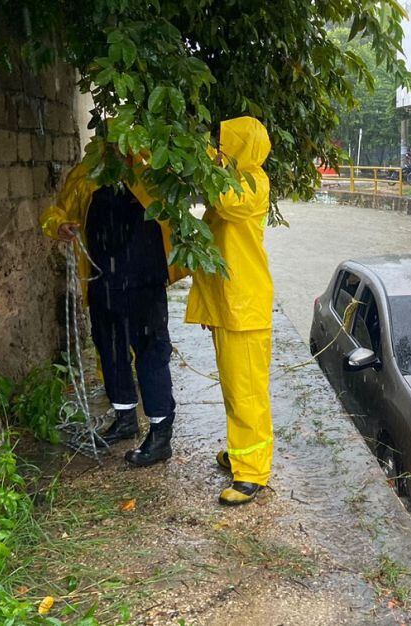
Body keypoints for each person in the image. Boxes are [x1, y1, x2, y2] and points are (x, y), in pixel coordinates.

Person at [40, 155, 189, 467]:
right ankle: (125, 419)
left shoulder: (152, 173)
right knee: (109, 352)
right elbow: (58, 212)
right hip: (103, 282)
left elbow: (178, 220)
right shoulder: (87, 173)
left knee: (151, 353)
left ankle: (161, 435)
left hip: (145, 282)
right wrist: (60, 226)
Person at [185, 116, 276, 506]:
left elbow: (224, 200)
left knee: (247, 393)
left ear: (240, 148)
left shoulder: (252, 182)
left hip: (246, 306)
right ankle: (242, 451)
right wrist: (211, 307)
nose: (218, 150)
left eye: (224, 144)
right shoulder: (235, 179)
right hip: (231, 306)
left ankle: (253, 472)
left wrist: (203, 158)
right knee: (233, 388)